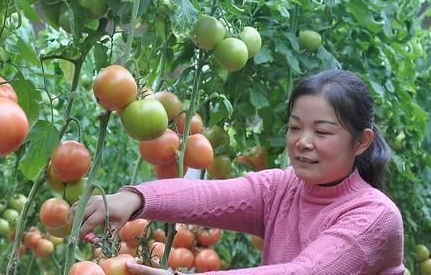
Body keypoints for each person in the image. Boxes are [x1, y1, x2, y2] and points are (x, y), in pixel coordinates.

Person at [70, 69, 405, 274]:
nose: (303, 142)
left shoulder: (374, 216)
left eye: (323, 132)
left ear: (361, 142)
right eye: (294, 127)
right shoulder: (282, 188)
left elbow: (307, 271)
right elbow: (207, 197)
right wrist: (133, 199)